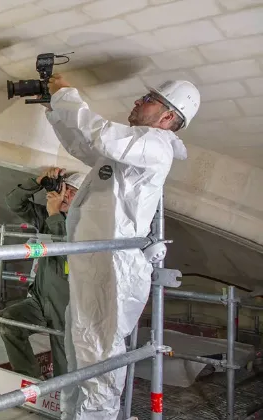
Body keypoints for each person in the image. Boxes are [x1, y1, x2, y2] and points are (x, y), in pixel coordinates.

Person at [42, 75, 199, 419]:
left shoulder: (155, 144)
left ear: (167, 117)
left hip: (113, 270)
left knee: (98, 360)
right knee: (79, 354)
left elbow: (101, 133)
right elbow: (84, 146)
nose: (137, 102)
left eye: (148, 99)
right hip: (92, 264)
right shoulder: (132, 149)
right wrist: (54, 107)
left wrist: (66, 94)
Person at [1, 168, 84, 379]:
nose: (65, 195)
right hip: (40, 300)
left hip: (67, 306)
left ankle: (66, 403)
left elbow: (67, 254)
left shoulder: (87, 226)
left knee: (64, 362)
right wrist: (37, 181)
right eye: (64, 189)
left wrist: (55, 215)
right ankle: (31, 381)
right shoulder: (45, 216)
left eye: (72, 192)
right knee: (9, 322)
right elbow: (14, 203)